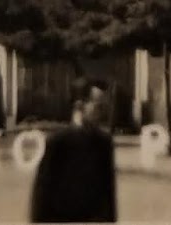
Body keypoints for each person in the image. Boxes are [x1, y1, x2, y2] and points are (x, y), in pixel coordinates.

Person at [29, 77, 117, 223]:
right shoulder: (58, 142)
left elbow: (108, 192)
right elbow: (42, 191)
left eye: (104, 106)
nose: (103, 112)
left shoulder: (104, 144)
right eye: (98, 106)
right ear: (80, 106)